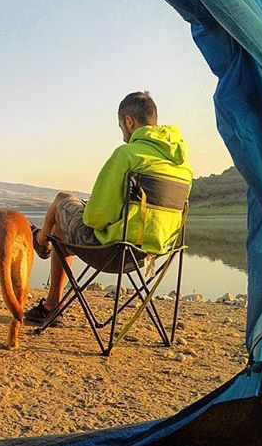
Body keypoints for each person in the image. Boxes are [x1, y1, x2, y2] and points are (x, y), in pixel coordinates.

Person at [24, 91, 193, 326]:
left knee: (62, 200)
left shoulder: (127, 155)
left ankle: (41, 242)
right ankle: (52, 304)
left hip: (114, 251)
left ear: (129, 121)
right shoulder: (182, 165)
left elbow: (95, 218)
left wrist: (87, 210)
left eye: (121, 126)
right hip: (152, 253)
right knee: (62, 232)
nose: (123, 133)